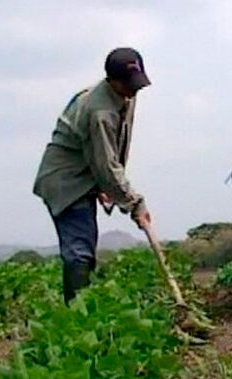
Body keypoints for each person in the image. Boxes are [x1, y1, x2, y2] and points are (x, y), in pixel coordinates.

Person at [33, 47, 152, 304]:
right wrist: (134, 202)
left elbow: (113, 152)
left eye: (137, 84)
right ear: (112, 80)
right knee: (79, 253)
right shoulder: (100, 112)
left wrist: (108, 187)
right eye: (128, 85)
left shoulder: (126, 96)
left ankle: (81, 310)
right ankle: (77, 322)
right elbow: (106, 164)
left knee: (85, 250)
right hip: (66, 182)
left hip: (86, 176)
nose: (134, 90)